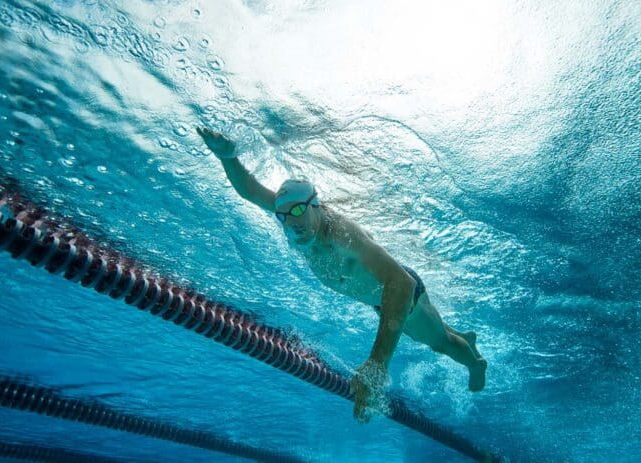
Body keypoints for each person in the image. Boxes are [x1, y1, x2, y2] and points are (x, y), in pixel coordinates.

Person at [197, 127, 487, 422]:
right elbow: (250, 189)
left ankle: (475, 364)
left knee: (440, 343)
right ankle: (464, 336)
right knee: (430, 328)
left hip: (399, 293)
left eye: (297, 213)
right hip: (379, 299)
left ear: (316, 205)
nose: (290, 223)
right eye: (282, 217)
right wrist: (227, 156)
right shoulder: (292, 215)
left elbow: (401, 282)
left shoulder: (342, 236)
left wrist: (376, 365)